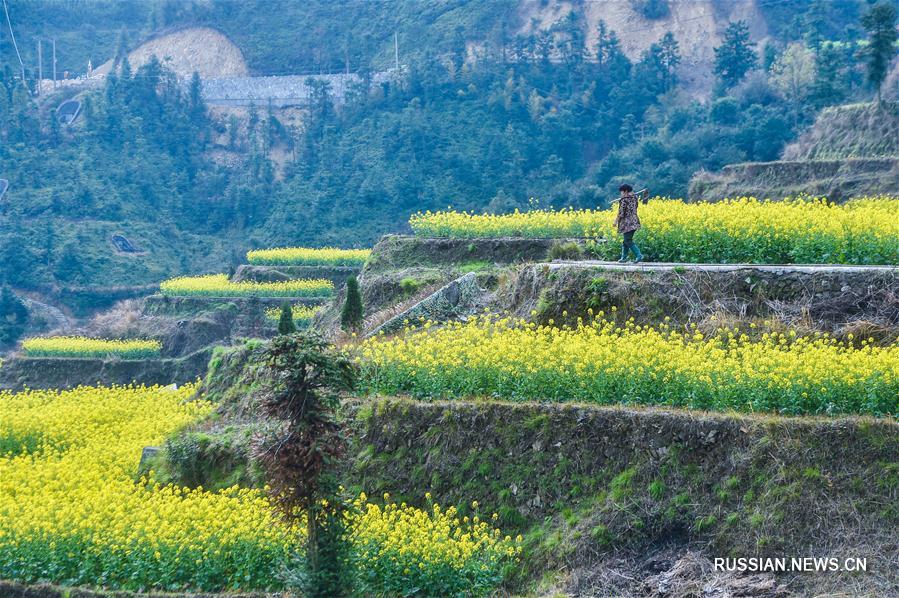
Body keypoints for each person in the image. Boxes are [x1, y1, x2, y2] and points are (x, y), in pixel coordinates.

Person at [614, 183, 643, 263]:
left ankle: (639, 255)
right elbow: (636, 207)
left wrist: (615, 221)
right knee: (626, 240)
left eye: (622, 192)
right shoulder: (635, 198)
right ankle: (624, 258)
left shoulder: (624, 200)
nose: (621, 194)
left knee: (628, 240)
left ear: (625, 191)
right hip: (635, 221)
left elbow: (621, 213)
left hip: (627, 223)